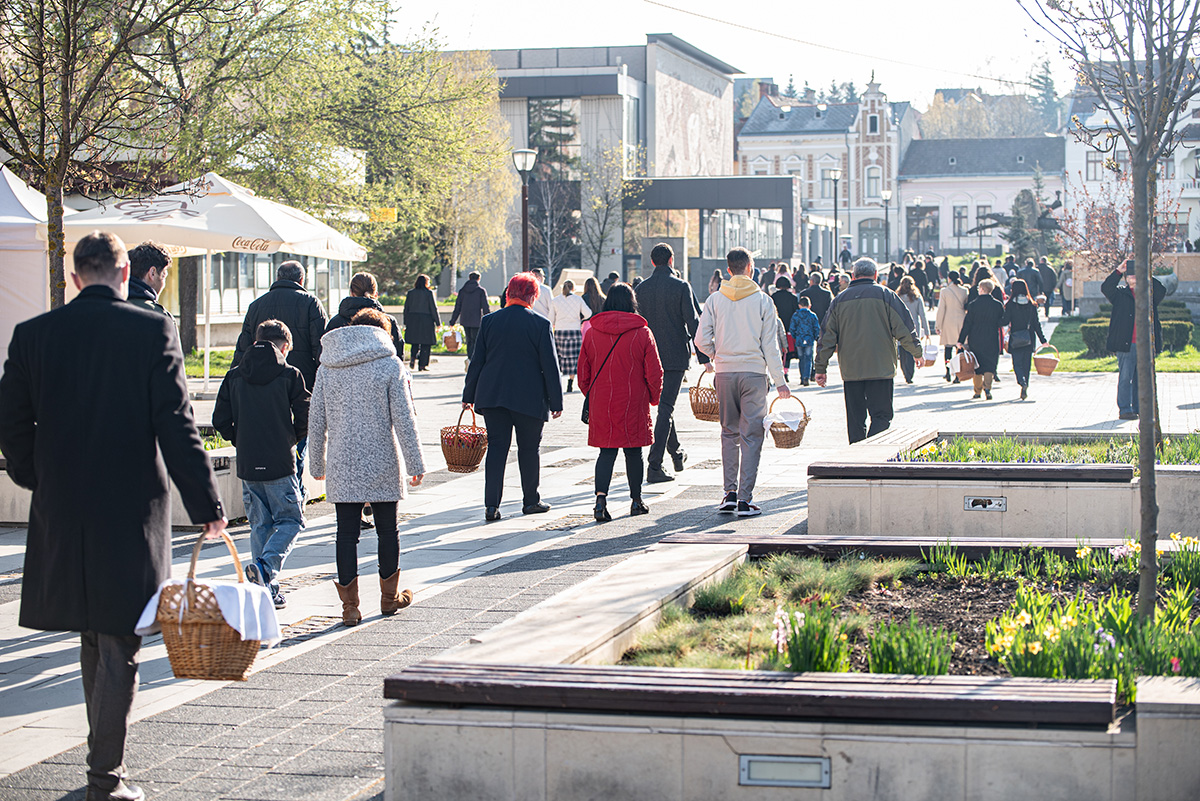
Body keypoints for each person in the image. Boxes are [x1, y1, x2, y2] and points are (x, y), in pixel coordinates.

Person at [0, 231, 225, 801]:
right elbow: (176, 424)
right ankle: (106, 779)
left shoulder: (34, 334)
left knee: (93, 635)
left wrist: (34, 476)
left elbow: (9, 421)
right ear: (126, 274)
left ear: (75, 277)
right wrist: (207, 507)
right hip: (130, 509)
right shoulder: (151, 331)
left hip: (62, 507)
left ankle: (104, 770)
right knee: (120, 641)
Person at [309, 308, 425, 626]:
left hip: (342, 461)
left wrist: (316, 463)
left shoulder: (328, 366)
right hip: (382, 458)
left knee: (346, 535)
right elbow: (404, 417)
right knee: (388, 531)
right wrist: (415, 462)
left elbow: (316, 420)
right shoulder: (390, 364)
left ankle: (350, 607)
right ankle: (389, 598)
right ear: (382, 333)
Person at [212, 319, 310, 609]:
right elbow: (306, 414)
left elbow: (220, 420)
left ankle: (265, 590)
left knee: (260, 524)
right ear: (285, 346)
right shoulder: (289, 374)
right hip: (279, 462)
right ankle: (266, 569)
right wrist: (290, 439)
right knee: (292, 520)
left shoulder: (234, 375)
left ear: (255, 341)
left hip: (248, 462)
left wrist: (240, 440)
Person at [694, 247, 790, 517]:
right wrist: (780, 381)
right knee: (752, 435)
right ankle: (745, 499)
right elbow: (770, 345)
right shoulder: (763, 300)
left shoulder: (715, 299)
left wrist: (717, 354)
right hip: (754, 373)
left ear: (728, 270)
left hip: (725, 373)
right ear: (751, 268)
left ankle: (729, 493)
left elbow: (700, 340)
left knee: (729, 432)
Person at [463, 272, 563, 521]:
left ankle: (491, 505)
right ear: (533, 296)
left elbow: (477, 362)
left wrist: (468, 395)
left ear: (509, 293)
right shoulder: (540, 324)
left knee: (497, 448)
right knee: (529, 449)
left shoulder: (489, 321)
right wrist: (556, 401)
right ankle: (531, 501)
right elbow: (550, 365)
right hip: (529, 397)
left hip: (493, 395)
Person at [232, 260, 327, 496]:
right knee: (297, 442)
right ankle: (293, 493)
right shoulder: (311, 303)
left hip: (258, 387)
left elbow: (243, 349)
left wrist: (235, 383)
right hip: (301, 384)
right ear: (302, 280)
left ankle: (276, 495)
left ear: (277, 278)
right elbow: (322, 349)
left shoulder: (256, 305)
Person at [814, 258, 924, 443]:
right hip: (881, 367)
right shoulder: (886, 295)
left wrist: (820, 368)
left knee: (855, 419)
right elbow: (904, 327)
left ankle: (857, 451)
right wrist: (916, 352)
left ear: (853, 275)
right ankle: (873, 448)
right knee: (882, 415)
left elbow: (827, 336)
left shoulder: (840, 300)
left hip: (851, 369)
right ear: (875, 275)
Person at [578, 284, 663, 522]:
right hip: (633, 400)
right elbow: (655, 372)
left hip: (602, 401)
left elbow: (583, 372)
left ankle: (600, 501)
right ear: (631, 303)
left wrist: (593, 394)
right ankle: (636, 501)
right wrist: (653, 398)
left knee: (606, 452)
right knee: (633, 451)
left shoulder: (592, 332)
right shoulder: (642, 332)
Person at [635, 242, 706, 483]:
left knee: (665, 407)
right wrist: (704, 356)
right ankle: (654, 465)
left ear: (652, 262)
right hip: (675, 355)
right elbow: (693, 322)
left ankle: (676, 452)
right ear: (671, 260)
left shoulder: (641, 289)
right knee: (666, 407)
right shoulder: (681, 286)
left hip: (647, 355)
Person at [1102, 259, 1166, 420]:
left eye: (1136, 274)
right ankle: (1125, 409)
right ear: (1126, 278)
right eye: (1130, 275)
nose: (1133, 277)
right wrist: (1118, 270)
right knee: (1125, 377)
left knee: (1141, 379)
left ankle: (1138, 408)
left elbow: (1162, 290)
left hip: (1145, 344)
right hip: (1127, 344)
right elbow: (1106, 288)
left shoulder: (1148, 295)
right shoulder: (1120, 294)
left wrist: (1146, 272)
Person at [326, 271, 404, 359]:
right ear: (376, 294)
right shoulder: (388, 321)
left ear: (351, 293)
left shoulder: (335, 323)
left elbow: (325, 355)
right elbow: (398, 356)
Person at [957, 278, 1006, 400]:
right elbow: (1002, 321)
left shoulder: (973, 305)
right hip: (991, 337)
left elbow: (967, 324)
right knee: (990, 364)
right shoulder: (997, 305)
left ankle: (977, 390)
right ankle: (987, 387)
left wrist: (961, 340)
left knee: (976, 364)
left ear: (982, 289)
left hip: (976, 338)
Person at [1002, 279, 1047, 401]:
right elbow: (1036, 324)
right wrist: (1043, 340)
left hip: (1015, 338)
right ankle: (1025, 383)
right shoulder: (1031, 305)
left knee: (1017, 363)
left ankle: (1021, 381)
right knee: (1026, 364)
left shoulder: (1011, 305)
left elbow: (1005, 321)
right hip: (1029, 338)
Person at [549, 279, 592, 393]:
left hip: (560, 331)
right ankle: (570, 381)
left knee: (561, 357)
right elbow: (588, 313)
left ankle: (558, 381)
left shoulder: (555, 300)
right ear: (573, 288)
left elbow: (550, 319)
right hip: (574, 330)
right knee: (573, 358)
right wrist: (579, 319)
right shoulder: (578, 299)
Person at [448, 271, 491, 363]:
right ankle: (475, 360)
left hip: (465, 319)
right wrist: (488, 320)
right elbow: (485, 307)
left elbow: (458, 307)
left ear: (469, 278)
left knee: (469, 340)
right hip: (477, 320)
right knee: (476, 340)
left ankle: (470, 358)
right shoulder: (481, 291)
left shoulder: (462, 291)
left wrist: (452, 321)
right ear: (478, 279)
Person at [126, 241, 174, 323]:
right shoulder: (161, 317)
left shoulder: (107, 308)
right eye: (164, 275)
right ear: (152, 273)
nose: (164, 284)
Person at [896, 275, 931, 384]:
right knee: (912, 350)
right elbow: (922, 315)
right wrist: (927, 331)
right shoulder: (917, 297)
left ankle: (905, 371)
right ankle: (910, 373)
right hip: (913, 327)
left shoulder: (897, 298)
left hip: (900, 327)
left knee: (902, 351)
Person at [935, 271, 969, 383]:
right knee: (959, 348)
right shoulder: (965, 290)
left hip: (948, 322)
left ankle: (948, 371)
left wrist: (938, 325)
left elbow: (941, 309)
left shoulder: (945, 291)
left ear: (949, 279)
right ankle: (958, 374)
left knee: (948, 348)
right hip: (961, 321)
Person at [402, 274, 438, 372]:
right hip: (426, 320)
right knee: (426, 343)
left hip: (413, 319)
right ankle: (423, 365)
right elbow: (433, 308)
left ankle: (413, 357)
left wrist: (406, 322)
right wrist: (438, 322)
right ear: (426, 283)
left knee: (415, 341)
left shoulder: (411, 293)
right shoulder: (429, 293)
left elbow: (406, 308)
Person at [788, 296, 821, 386]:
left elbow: (792, 328)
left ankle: (802, 377)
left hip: (799, 339)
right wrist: (815, 337)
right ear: (809, 305)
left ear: (799, 305)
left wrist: (795, 336)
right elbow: (816, 328)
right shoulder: (812, 315)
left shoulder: (796, 315)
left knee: (801, 358)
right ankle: (807, 376)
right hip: (809, 339)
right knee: (808, 358)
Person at [772, 276, 800, 382]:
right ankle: (785, 371)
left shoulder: (773, 297)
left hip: (776, 326)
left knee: (777, 350)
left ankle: (779, 371)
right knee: (787, 351)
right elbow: (795, 312)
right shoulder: (793, 298)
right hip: (789, 328)